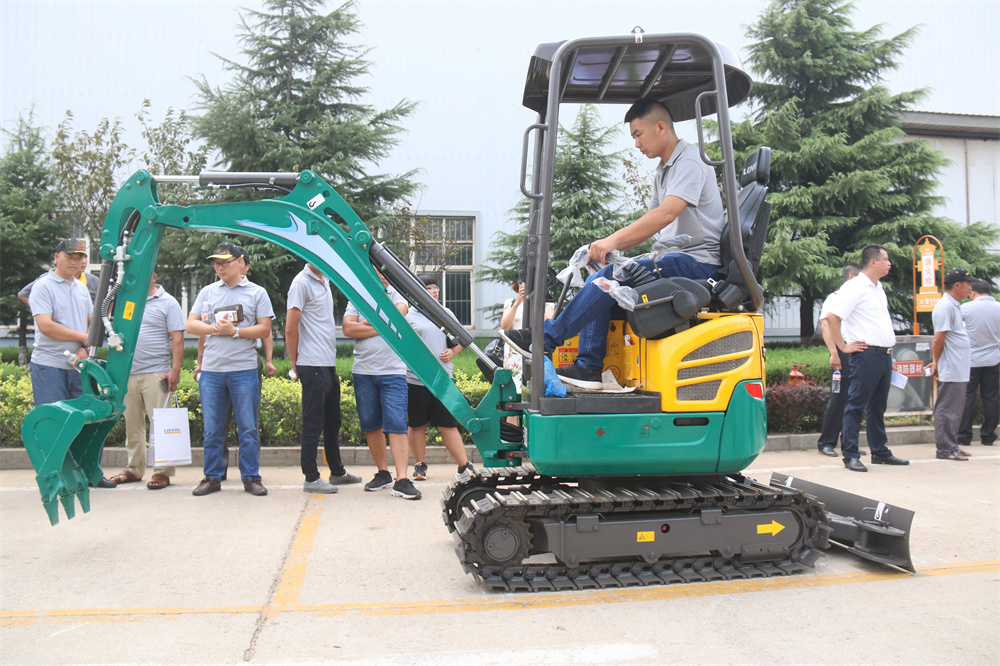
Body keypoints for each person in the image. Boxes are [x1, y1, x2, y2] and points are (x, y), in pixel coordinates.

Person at [501, 97, 724, 389]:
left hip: (698, 264)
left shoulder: (690, 162)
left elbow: (666, 214)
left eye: (637, 135)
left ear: (660, 127)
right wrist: (615, 253)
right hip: (676, 258)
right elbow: (653, 223)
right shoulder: (664, 170)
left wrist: (610, 242)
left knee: (613, 277)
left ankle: (544, 339)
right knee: (604, 281)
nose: (636, 144)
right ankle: (588, 367)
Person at [186, 242, 274, 497]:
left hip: (244, 370)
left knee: (247, 427)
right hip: (212, 371)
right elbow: (191, 325)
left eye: (225, 261)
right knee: (212, 428)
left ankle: (251, 477)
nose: (219, 266)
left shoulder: (256, 293)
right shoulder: (207, 292)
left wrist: (234, 331)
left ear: (240, 262)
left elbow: (264, 329)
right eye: (216, 262)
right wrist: (215, 328)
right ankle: (212, 477)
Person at [28, 238, 116, 489]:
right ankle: (57, 479)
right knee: (54, 424)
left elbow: (92, 322)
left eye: (80, 256)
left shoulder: (80, 287)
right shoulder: (43, 287)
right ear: (56, 256)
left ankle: (90, 473)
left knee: (88, 420)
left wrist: (83, 347)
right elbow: (46, 326)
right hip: (49, 366)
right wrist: (83, 338)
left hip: (80, 364)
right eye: (70, 256)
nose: (76, 261)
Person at [825, 244, 909, 472]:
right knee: (855, 405)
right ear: (873, 262)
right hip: (865, 354)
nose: (889, 263)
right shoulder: (855, 287)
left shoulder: (877, 287)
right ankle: (850, 454)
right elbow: (832, 317)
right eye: (886, 259)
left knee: (877, 407)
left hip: (882, 354)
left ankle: (880, 451)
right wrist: (842, 346)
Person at [342, 272, 420, 500]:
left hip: (393, 371)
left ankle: (403, 479)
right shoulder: (356, 296)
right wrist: (381, 327)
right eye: (375, 273)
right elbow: (348, 329)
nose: (381, 277)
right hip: (363, 371)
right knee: (371, 424)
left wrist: (364, 323)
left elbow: (397, 315)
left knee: (396, 424)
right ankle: (383, 473)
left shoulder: (398, 295)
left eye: (384, 273)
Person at [286, 263, 362, 493]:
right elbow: (291, 327)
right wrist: (294, 363)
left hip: (327, 363)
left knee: (332, 420)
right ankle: (311, 477)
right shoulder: (301, 282)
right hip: (311, 363)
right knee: (313, 422)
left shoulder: (324, 278)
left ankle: (337, 472)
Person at [110, 271, 185, 489]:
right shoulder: (126, 301)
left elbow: (177, 337)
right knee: (132, 424)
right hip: (127, 373)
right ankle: (134, 468)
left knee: (161, 424)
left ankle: (162, 472)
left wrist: (175, 370)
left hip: (156, 373)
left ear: (153, 276)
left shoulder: (168, 302)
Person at [405, 275, 477, 481]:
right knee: (417, 423)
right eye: (429, 288)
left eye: (436, 287)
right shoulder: (409, 316)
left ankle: (464, 465)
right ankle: (420, 465)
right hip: (416, 379)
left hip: (442, 379)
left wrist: (453, 352)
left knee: (448, 423)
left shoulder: (445, 313)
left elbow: (463, 338)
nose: (435, 291)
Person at [927, 269, 976, 461]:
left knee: (955, 410)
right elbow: (939, 338)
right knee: (947, 409)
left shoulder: (953, 306)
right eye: (967, 283)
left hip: (959, 367)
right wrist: (936, 361)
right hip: (952, 366)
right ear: (958, 285)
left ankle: (952, 445)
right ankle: (945, 449)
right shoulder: (945, 307)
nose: (970, 288)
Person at [816, 264, 863, 457]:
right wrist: (834, 353)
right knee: (838, 399)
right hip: (841, 353)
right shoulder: (835, 299)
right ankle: (826, 442)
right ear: (852, 277)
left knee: (856, 399)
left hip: (857, 352)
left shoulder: (859, 300)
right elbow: (826, 326)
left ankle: (849, 442)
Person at [959, 279, 999, 448]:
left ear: (972, 292)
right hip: (994, 359)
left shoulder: (966, 308)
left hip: (971, 360)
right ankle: (988, 435)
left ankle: (964, 436)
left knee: (967, 396)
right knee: (992, 397)